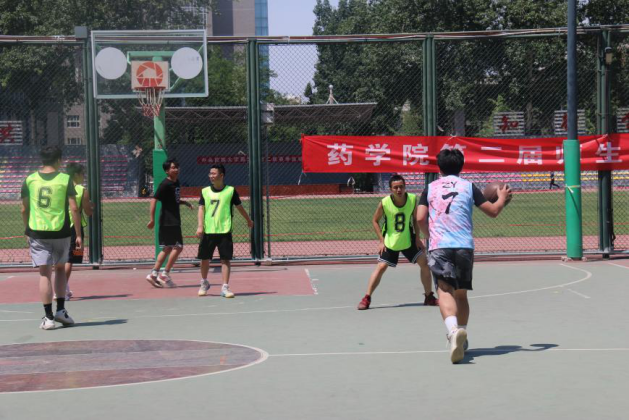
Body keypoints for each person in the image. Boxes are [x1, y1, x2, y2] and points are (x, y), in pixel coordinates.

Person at [417, 148, 511, 363]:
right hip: (463, 246)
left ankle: (453, 332)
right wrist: (502, 198)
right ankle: (463, 334)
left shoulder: (430, 188)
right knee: (461, 294)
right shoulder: (469, 186)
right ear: (461, 167)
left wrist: (429, 235)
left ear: (439, 168)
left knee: (444, 290)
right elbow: (493, 211)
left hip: (440, 246)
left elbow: (421, 217)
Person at [21, 146, 82, 330]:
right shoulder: (65, 179)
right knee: (60, 269)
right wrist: (78, 234)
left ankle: (48, 318)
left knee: (44, 273)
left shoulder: (30, 179)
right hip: (61, 231)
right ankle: (61, 310)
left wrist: (27, 229)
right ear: (59, 160)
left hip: (38, 231)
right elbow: (74, 208)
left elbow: (24, 209)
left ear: (42, 160)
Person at [357, 174, 438, 311]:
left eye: (401, 187)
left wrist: (417, 238)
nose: (399, 190)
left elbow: (415, 219)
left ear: (405, 187)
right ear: (390, 189)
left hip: (408, 239)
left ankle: (429, 296)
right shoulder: (384, 203)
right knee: (381, 267)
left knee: (424, 262)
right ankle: (367, 298)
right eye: (395, 187)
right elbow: (375, 221)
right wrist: (381, 241)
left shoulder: (412, 199)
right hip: (390, 241)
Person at [196, 164, 253, 298]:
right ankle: (204, 283)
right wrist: (200, 226)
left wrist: (248, 220)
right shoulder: (205, 191)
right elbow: (201, 209)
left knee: (225, 260)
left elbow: (239, 207)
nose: (211, 176)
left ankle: (225, 287)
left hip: (224, 230)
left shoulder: (230, 191)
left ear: (221, 175)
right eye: (210, 173)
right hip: (208, 231)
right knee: (204, 259)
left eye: (214, 173)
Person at [146, 158, 193, 288]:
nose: (176, 169)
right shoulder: (165, 184)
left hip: (173, 220)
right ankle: (164, 274)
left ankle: (153, 274)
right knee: (178, 247)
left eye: (177, 167)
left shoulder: (176, 182)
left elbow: (173, 200)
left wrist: (184, 202)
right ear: (167, 171)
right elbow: (154, 200)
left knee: (167, 248)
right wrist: (152, 219)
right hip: (169, 221)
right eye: (173, 167)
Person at [63, 162, 93, 300]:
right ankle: (61, 290)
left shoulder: (61, 187)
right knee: (71, 258)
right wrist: (91, 207)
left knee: (62, 258)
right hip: (74, 227)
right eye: (82, 174)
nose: (84, 176)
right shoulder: (82, 190)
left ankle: (65, 287)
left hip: (58, 225)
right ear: (76, 174)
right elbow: (87, 211)